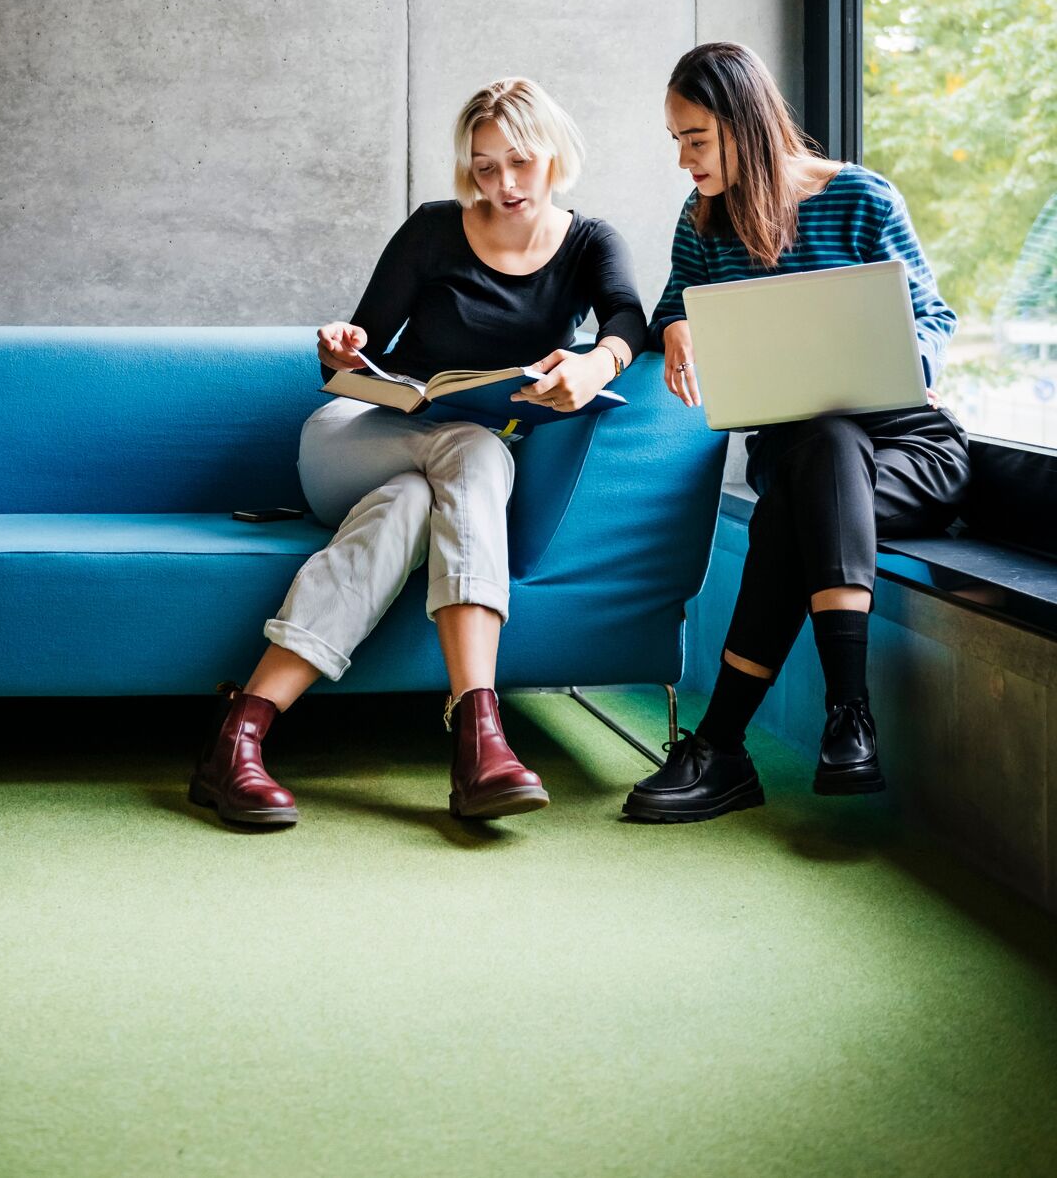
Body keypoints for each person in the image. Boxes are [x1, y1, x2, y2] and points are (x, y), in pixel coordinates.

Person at [189, 78, 647, 829]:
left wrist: (596, 363)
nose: (503, 183)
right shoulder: (435, 228)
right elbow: (358, 351)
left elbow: (626, 313)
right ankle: (481, 738)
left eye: (520, 163)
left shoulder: (591, 242)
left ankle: (239, 735)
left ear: (555, 154)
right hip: (354, 444)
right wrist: (342, 347)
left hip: (435, 476)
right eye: (485, 165)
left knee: (411, 505)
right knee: (476, 451)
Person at [623, 41, 968, 825]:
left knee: (823, 454)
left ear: (745, 125)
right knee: (820, 447)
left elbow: (934, 316)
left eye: (696, 139)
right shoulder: (703, 220)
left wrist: (910, 359)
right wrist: (674, 323)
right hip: (807, 461)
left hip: (909, 452)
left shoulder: (863, 198)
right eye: (676, 141)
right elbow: (672, 306)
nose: (683, 160)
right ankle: (848, 722)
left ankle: (723, 749)